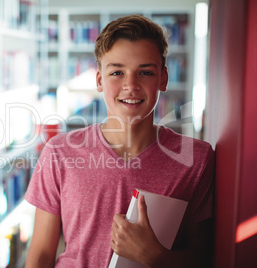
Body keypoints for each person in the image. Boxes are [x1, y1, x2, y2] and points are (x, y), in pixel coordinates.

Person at [24, 15, 215, 268]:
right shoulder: (59, 152)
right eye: (117, 72)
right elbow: (40, 257)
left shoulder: (196, 159)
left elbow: (202, 257)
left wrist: (155, 256)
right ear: (100, 80)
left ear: (163, 79)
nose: (131, 85)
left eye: (145, 72)